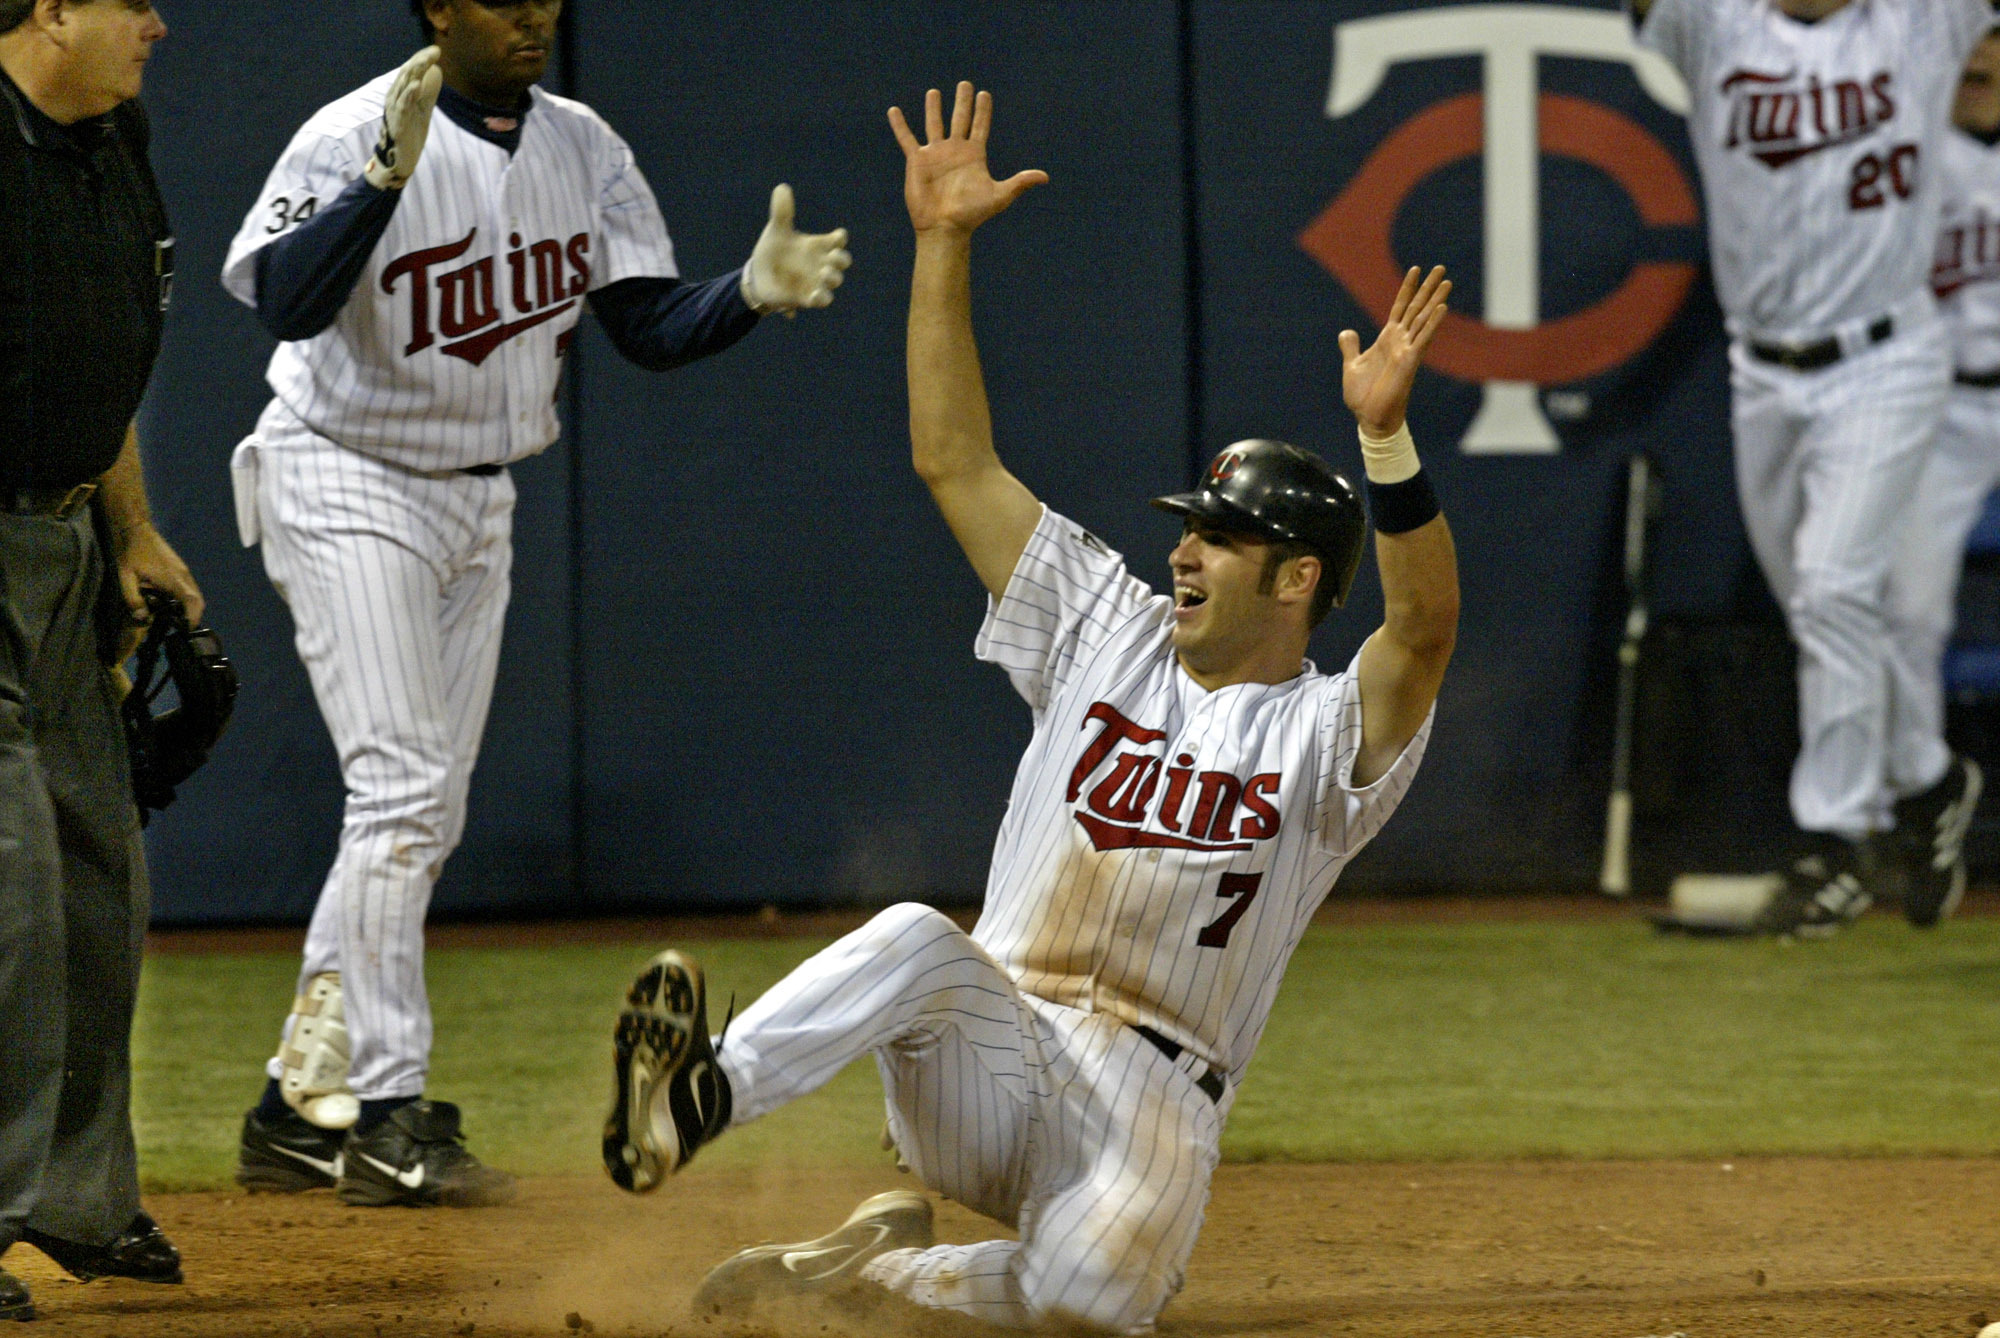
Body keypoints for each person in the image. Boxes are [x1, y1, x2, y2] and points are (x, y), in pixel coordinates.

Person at [601, 82, 1459, 1333]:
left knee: (1088, 1311)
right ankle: (694, 1102)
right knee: (910, 938)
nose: (1183, 551)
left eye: (1219, 540)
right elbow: (953, 458)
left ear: (1294, 580)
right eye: (1188, 530)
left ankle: (871, 1271)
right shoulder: (1104, 625)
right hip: (994, 1048)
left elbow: (1422, 631)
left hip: (1158, 1106)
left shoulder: (1329, 736)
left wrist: (1384, 444)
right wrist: (941, 244)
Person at [222, 0, 851, 1208]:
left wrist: (745, 294)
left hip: (478, 493)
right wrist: (375, 181)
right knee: (402, 792)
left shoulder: (580, 142)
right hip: (344, 474)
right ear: (437, 8)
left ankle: (301, 1109)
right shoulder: (353, 129)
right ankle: (390, 1117)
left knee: (420, 813)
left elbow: (647, 328)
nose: (532, 14)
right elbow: (288, 303)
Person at [1632, 0, 1992, 937]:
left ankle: (1832, 846)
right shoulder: (1714, 24)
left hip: (1888, 358)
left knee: (1834, 591)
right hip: (1764, 370)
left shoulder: (1919, 19)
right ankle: (1924, 779)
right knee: (1824, 609)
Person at [0, 0, 205, 1319]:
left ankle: (72, 1197)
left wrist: (129, 528)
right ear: (49, 7)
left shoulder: (110, 138)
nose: (159, 24)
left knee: (90, 870)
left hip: (68, 542)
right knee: (8, 881)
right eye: (129, 0)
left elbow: (108, 357)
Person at [1882, 28, 2000, 928]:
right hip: (1942, 407)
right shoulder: (1908, 153)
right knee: (1905, 612)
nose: (1981, 71)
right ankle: (1925, 804)